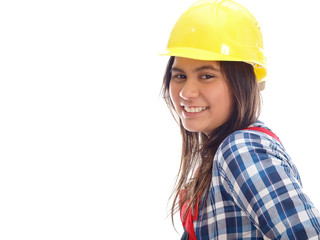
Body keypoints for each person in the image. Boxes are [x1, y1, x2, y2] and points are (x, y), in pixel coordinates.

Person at [160, 0, 320, 239]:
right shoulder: (216, 159)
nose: (186, 92)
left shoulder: (240, 149)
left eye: (206, 75)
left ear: (242, 83)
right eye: (180, 76)